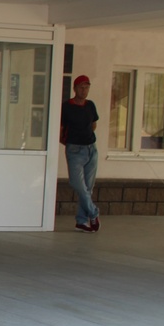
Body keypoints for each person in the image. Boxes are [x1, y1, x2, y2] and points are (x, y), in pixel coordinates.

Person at [61, 74, 100, 232]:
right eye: (81, 87)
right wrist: (68, 142)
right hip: (75, 150)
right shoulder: (66, 106)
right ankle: (93, 213)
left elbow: (94, 124)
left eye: (87, 87)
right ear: (75, 89)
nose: (84, 90)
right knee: (77, 183)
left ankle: (82, 221)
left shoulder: (90, 105)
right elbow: (61, 128)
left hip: (91, 148)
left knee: (88, 187)